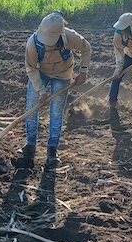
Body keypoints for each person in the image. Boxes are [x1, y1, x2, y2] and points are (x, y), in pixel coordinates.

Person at [14, 11, 92, 169]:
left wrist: (83, 72)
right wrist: (41, 91)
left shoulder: (69, 37)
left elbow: (87, 48)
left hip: (63, 74)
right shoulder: (33, 43)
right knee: (32, 107)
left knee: (56, 111)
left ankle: (52, 150)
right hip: (40, 72)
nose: (47, 43)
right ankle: (29, 147)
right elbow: (31, 69)